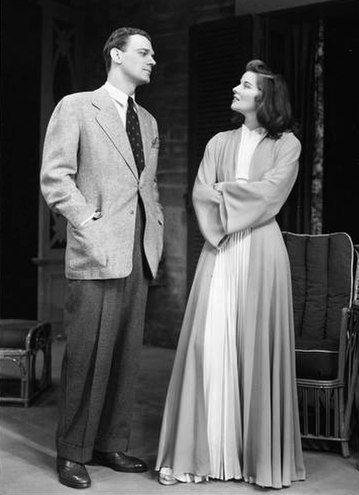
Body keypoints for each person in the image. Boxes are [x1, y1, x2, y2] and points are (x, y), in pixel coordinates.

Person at [155, 59, 306, 489]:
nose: (236, 89)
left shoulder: (287, 145)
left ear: (264, 96)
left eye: (245, 85)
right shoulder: (218, 141)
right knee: (208, 345)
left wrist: (224, 191)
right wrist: (230, 196)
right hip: (219, 250)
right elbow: (201, 193)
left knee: (256, 348)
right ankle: (198, 455)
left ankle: (257, 460)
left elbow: (272, 194)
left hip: (262, 254)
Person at [40, 27, 164, 489]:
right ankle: (72, 452)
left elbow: (144, 185)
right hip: (97, 245)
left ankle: (110, 443)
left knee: (126, 354)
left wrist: (155, 235)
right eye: (144, 52)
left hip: (139, 248)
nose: (152, 59)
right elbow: (55, 176)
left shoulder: (148, 121)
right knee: (87, 353)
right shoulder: (76, 106)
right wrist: (85, 222)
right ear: (116, 55)